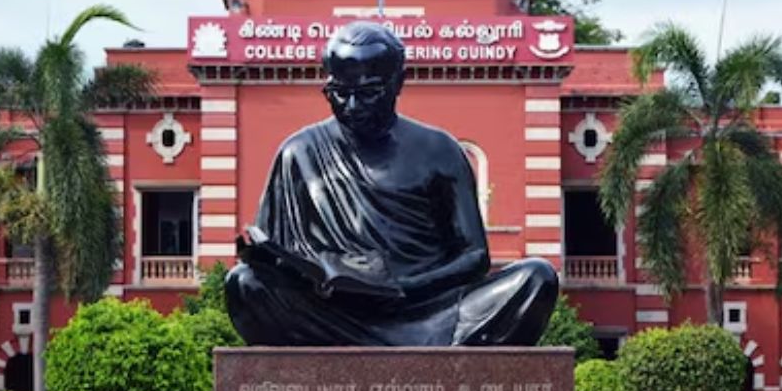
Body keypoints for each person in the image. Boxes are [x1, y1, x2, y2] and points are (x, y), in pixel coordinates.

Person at [225, 20, 559, 346]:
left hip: (430, 309)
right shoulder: (299, 152)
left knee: (536, 277)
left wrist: (404, 289)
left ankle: (379, 350)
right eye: (339, 93)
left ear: (398, 82)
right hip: (333, 311)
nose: (352, 106)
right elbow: (276, 251)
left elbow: (474, 256)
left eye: (368, 93)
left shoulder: (438, 149)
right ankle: (399, 353)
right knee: (245, 284)